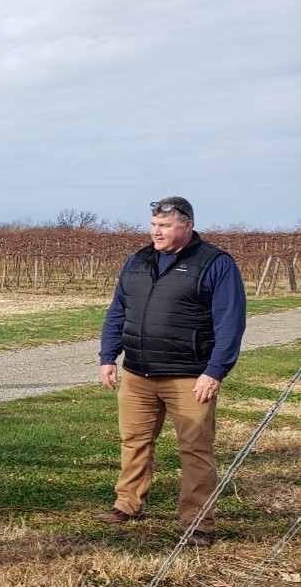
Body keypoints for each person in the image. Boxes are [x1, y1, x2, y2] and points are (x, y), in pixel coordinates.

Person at [95, 197, 245, 548]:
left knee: (194, 449)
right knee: (134, 441)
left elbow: (230, 322)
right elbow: (118, 310)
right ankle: (128, 505)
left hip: (190, 376)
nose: (156, 232)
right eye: (152, 225)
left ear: (187, 225)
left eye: (164, 226)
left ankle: (198, 522)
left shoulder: (215, 263)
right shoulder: (137, 261)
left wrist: (215, 370)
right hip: (138, 374)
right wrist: (108, 355)